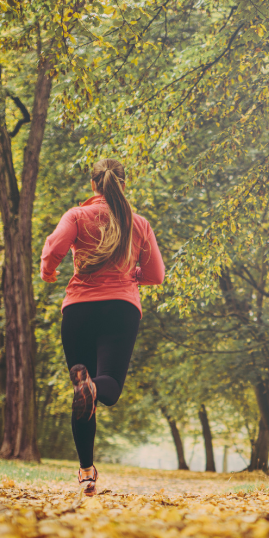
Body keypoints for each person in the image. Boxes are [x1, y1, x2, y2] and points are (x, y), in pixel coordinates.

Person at [40, 158, 165, 496]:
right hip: (120, 310)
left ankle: (86, 472)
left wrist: (49, 269)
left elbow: (55, 247)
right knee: (102, 388)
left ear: (93, 184)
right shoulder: (138, 224)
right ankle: (92, 388)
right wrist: (131, 275)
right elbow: (155, 275)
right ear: (122, 184)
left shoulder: (77, 216)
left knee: (82, 392)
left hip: (78, 310)